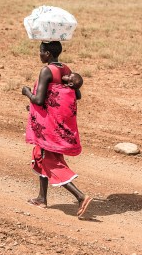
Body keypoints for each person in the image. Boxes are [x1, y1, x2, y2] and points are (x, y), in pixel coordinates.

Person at [21, 41, 92, 217]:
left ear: (47, 54)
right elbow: (75, 94)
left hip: (48, 124)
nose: (39, 54)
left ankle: (80, 196)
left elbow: (38, 99)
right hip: (54, 121)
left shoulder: (47, 71)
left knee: (50, 161)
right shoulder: (66, 70)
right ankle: (41, 198)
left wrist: (26, 92)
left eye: (40, 51)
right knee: (40, 155)